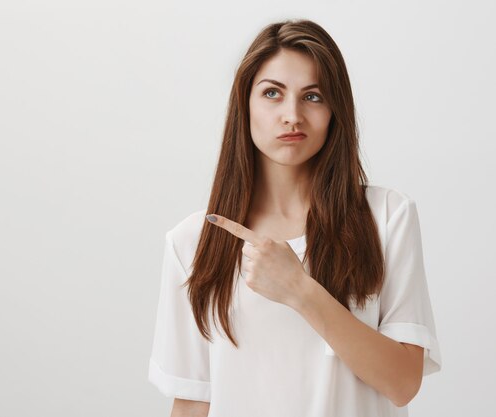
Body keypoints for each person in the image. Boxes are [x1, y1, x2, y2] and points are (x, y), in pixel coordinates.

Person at [147, 18, 441, 417]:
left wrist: (300, 290)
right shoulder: (193, 243)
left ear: (335, 109)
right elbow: (193, 401)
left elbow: (403, 383)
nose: (292, 115)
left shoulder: (386, 217)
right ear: (245, 104)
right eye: (272, 93)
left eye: (313, 97)